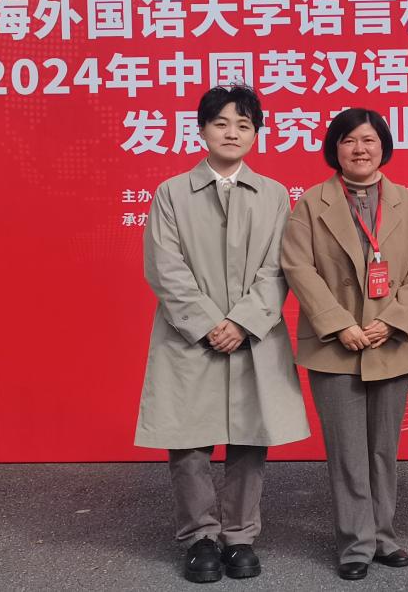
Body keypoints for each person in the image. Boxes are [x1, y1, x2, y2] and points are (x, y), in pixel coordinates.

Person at [136, 85, 310, 584]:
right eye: (221, 123)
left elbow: (280, 267)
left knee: (250, 438)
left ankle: (239, 536)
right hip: (188, 335)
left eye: (244, 125)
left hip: (253, 335)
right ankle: (200, 537)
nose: (232, 133)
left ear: (256, 134)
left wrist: (243, 322)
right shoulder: (172, 192)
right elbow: (165, 267)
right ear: (201, 129)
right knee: (187, 439)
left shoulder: (274, 194)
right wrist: (209, 323)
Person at [280, 108, 408, 581]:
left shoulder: (407, 202)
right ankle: (355, 543)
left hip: (391, 342)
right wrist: (338, 324)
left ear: (383, 146)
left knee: (383, 448)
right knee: (347, 450)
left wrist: (392, 321)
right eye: (349, 141)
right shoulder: (311, 203)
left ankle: (384, 536)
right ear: (335, 149)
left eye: (369, 140)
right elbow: (298, 267)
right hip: (335, 346)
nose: (360, 149)